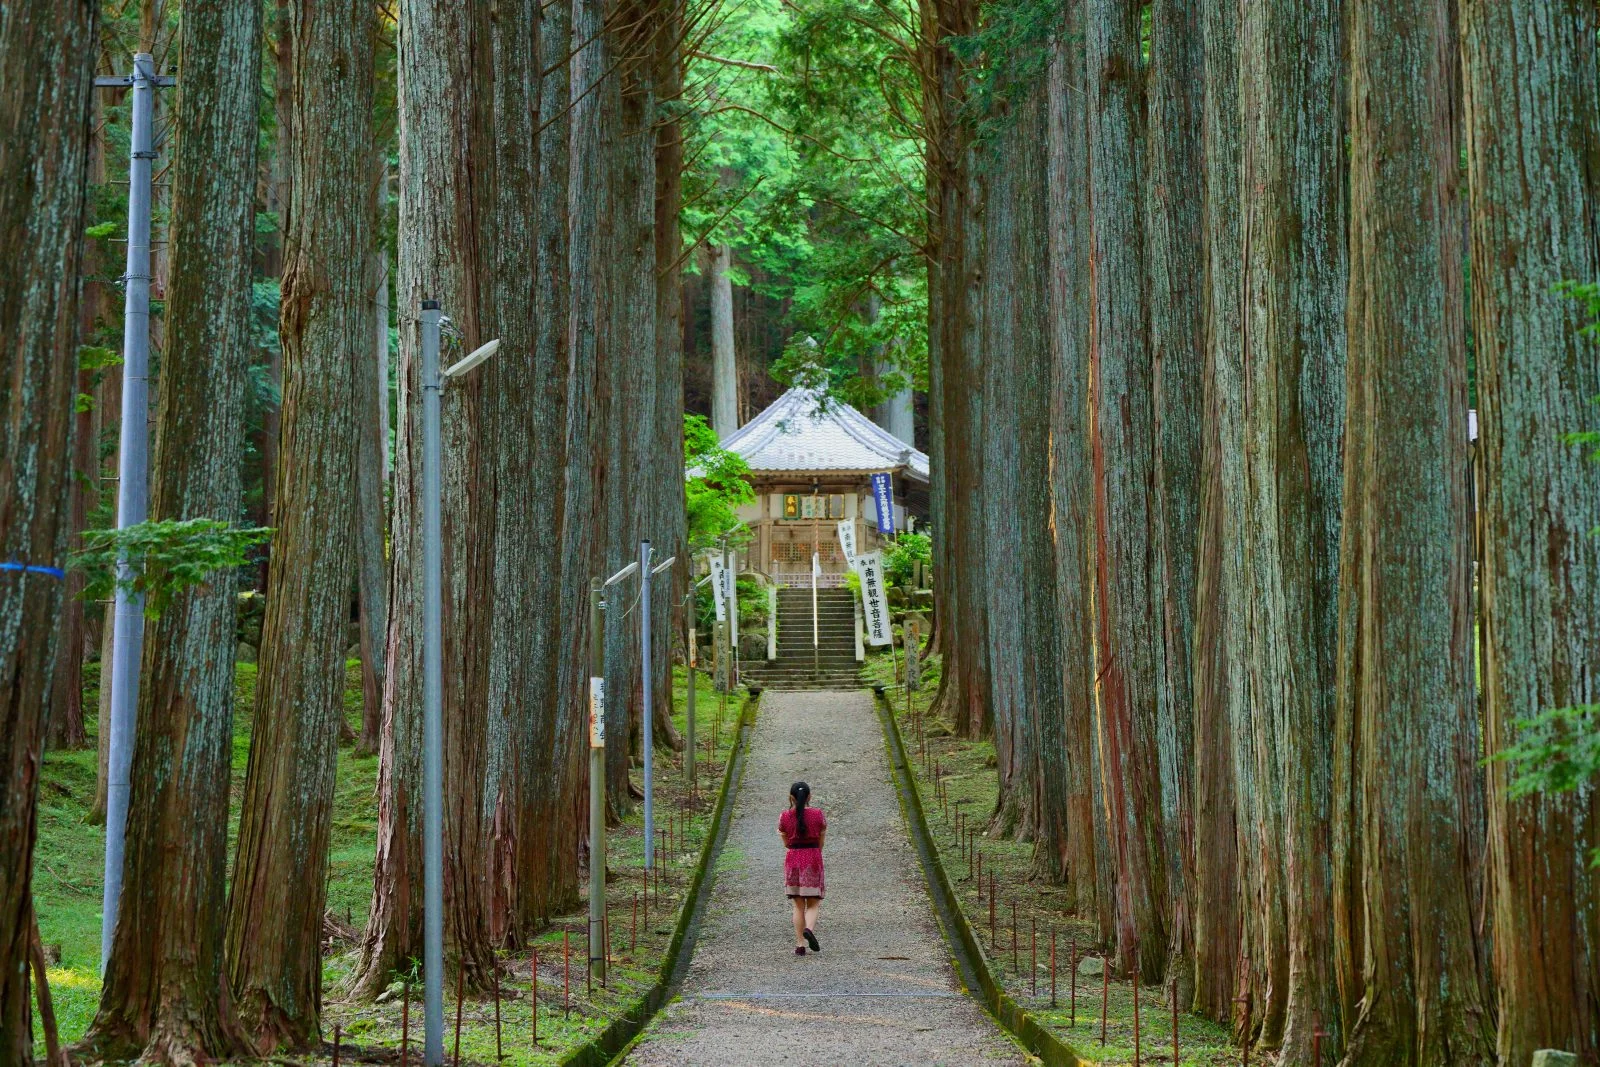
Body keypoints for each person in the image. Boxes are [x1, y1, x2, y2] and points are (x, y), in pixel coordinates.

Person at [778, 780, 826, 955]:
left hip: (793, 859)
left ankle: (800, 945)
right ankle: (810, 930)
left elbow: (785, 842)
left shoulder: (784, 817)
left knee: (798, 905)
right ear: (809, 797)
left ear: (791, 797)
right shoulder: (818, 815)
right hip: (813, 857)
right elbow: (821, 842)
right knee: (813, 903)